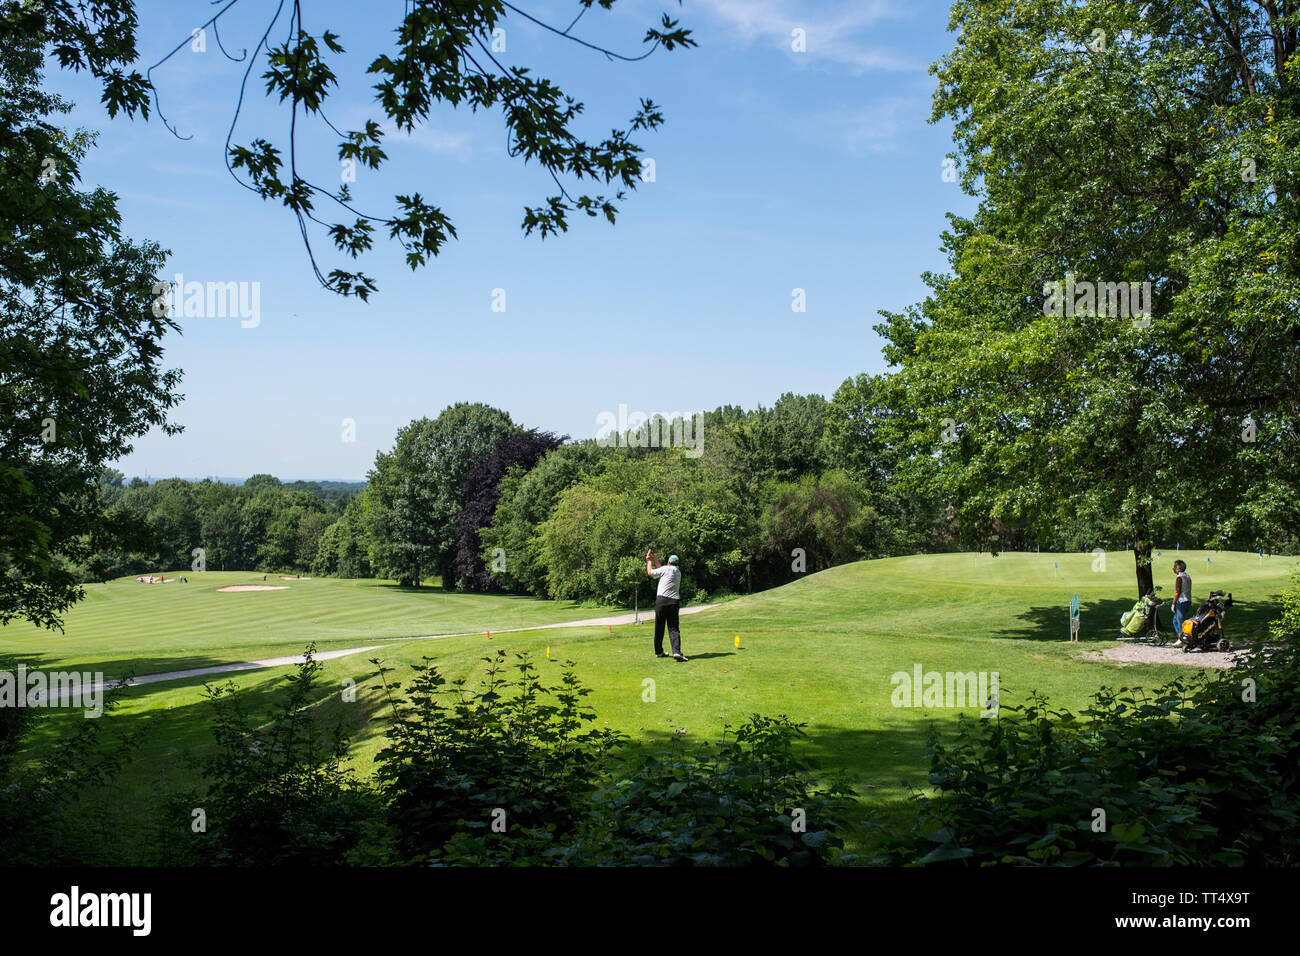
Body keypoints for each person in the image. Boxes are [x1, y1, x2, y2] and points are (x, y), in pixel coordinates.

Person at [646, 548, 687, 661]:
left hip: (661, 601)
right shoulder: (678, 572)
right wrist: (654, 558)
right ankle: (676, 652)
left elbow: (650, 573)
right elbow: (662, 569)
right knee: (673, 628)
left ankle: (659, 651)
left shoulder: (665, 569)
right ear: (677, 564)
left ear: (668, 563)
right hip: (674, 602)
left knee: (659, 627)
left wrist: (649, 560)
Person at [1171, 559, 1192, 642]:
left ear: (1178, 569)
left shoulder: (1179, 577)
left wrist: (1173, 603)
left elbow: (1177, 591)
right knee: (1175, 620)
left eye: (1174, 567)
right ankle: (1180, 638)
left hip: (1181, 602)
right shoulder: (1187, 576)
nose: (1173, 569)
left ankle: (1182, 639)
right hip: (1188, 601)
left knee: (1180, 621)